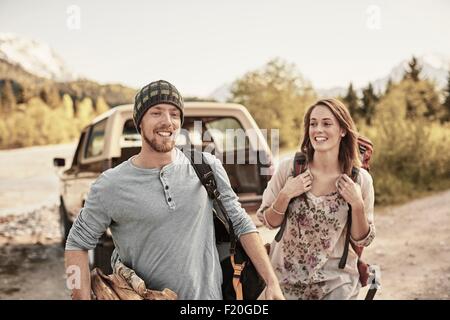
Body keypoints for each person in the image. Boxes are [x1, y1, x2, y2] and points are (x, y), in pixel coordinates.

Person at [65, 80, 284, 300]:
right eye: (156, 113)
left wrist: (272, 282)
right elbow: (76, 243)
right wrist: (79, 296)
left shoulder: (206, 167)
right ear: (139, 122)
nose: (167, 122)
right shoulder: (110, 185)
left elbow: (240, 222)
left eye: (174, 114)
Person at [257, 98, 375, 299]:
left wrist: (356, 204)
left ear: (342, 130)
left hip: (336, 284)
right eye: (313, 123)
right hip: (284, 282)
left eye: (327, 123)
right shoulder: (289, 170)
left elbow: (362, 238)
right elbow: (269, 222)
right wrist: (285, 195)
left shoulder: (359, 180)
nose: (318, 129)